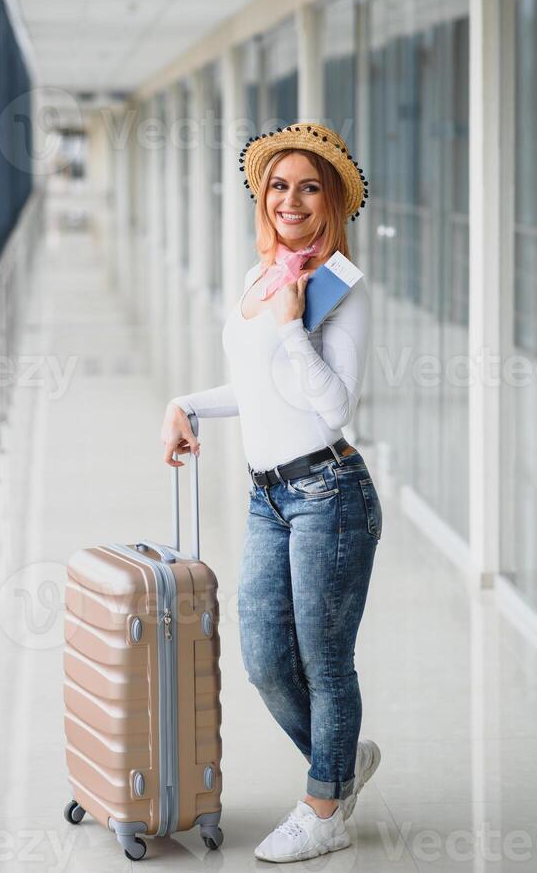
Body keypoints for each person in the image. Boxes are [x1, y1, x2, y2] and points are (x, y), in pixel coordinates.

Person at [160, 122, 383, 863]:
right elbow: (256, 389)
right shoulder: (264, 276)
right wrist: (186, 403)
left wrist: (293, 329)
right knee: (262, 658)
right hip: (268, 497)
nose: (291, 198)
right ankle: (339, 763)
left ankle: (325, 808)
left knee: (324, 660)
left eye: (308, 186)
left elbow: (334, 405)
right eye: (279, 185)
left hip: (330, 492)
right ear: (264, 196)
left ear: (332, 201)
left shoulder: (337, 288)